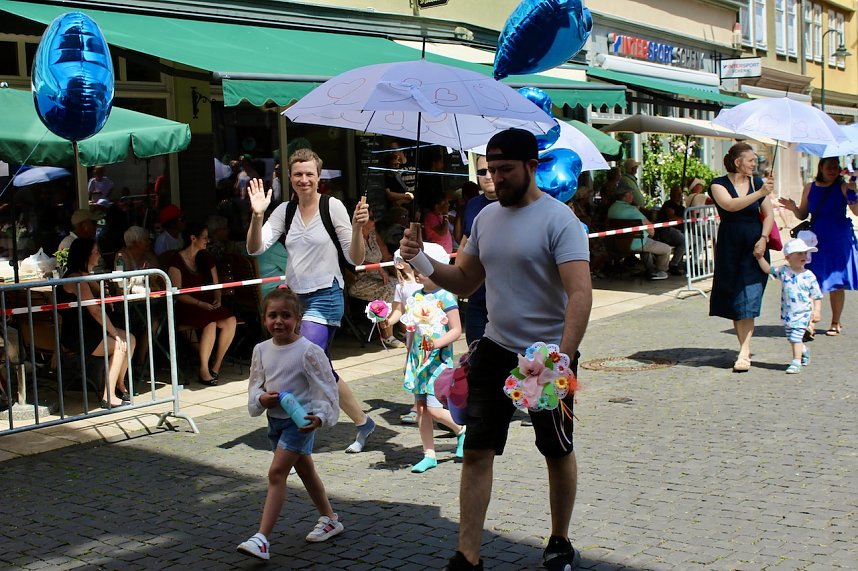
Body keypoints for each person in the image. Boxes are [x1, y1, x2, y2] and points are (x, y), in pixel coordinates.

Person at [400, 128, 591, 571]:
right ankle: (467, 556)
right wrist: (421, 261)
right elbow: (466, 280)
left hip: (547, 356)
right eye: (489, 170)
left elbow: (580, 294)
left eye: (505, 170)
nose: (496, 178)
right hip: (495, 349)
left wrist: (561, 357)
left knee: (556, 448)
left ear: (531, 166)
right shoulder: (485, 219)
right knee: (478, 448)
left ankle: (559, 540)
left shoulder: (559, 220)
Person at [246, 148, 377, 454]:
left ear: (319, 177)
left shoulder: (332, 208)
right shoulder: (284, 211)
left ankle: (299, 429)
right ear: (289, 178)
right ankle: (362, 421)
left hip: (326, 294)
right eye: (298, 174)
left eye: (309, 174)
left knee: (302, 358)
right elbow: (255, 248)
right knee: (322, 367)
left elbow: (354, 257)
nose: (304, 180)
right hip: (295, 300)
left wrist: (357, 229)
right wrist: (256, 215)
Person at [237, 288, 342, 561]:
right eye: (273, 316)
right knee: (305, 471)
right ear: (264, 319)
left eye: (286, 315)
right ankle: (330, 518)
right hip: (275, 423)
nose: (279, 321)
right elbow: (255, 385)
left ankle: (262, 539)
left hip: (300, 422)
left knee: (276, 473)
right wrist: (261, 398)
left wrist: (319, 416)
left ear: (299, 318)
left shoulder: (309, 351)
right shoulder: (261, 350)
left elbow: (326, 388)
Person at [708, 142, 775, 372]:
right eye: (751, 160)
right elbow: (730, 205)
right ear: (738, 162)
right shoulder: (718, 184)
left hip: (755, 245)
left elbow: (769, 215)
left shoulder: (757, 183)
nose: (755, 163)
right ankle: (743, 347)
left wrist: (764, 238)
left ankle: (744, 352)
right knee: (736, 298)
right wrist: (760, 193)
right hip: (730, 245)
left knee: (749, 296)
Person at [399, 243, 466, 473]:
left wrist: (436, 344)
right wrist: (409, 354)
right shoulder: (415, 296)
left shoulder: (446, 296)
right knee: (420, 407)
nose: (417, 272)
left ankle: (461, 429)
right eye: (415, 267)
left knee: (435, 409)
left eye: (422, 267)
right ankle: (429, 453)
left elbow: (456, 330)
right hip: (419, 359)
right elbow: (411, 330)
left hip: (437, 359)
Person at [780, 157, 858, 336]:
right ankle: (809, 322)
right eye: (828, 167)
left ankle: (835, 322)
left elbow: (856, 211)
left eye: (835, 167)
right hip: (815, 239)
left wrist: (854, 194)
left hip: (838, 238)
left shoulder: (844, 187)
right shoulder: (810, 187)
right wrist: (792, 207)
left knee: (836, 281)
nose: (832, 170)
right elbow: (802, 214)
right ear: (820, 168)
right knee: (811, 278)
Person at [57, 238, 136, 408]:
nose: (99, 255)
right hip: (78, 336)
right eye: (96, 252)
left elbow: (100, 296)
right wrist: (114, 333)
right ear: (86, 256)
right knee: (119, 345)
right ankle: (109, 396)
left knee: (130, 339)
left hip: (89, 331)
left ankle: (119, 383)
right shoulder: (76, 280)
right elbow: (95, 311)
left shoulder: (83, 276)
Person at [167, 221, 237, 385]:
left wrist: (218, 298)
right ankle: (203, 369)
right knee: (210, 323)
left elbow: (216, 284)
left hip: (208, 303)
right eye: (204, 238)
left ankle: (216, 366)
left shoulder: (207, 257)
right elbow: (178, 294)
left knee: (230, 320)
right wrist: (200, 304)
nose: (207, 241)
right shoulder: (176, 261)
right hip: (189, 305)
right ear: (193, 238)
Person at [755, 238, 822, 374]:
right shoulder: (783, 271)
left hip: (803, 313)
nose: (803, 256)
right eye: (799, 254)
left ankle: (796, 362)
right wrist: (759, 258)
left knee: (796, 337)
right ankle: (803, 351)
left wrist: (817, 311)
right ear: (788, 257)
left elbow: (817, 296)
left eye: (805, 253)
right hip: (788, 313)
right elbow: (768, 269)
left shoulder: (809, 276)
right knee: (791, 337)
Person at [115, 226, 166, 377]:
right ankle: (134, 362)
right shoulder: (122, 256)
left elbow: (160, 279)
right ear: (136, 242)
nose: (149, 242)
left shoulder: (149, 255)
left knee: (156, 320)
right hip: (128, 304)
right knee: (149, 320)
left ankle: (140, 361)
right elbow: (120, 285)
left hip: (149, 301)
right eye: (146, 240)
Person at [348, 211, 402, 348]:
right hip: (358, 280)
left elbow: (386, 256)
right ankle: (386, 335)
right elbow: (352, 263)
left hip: (378, 276)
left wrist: (399, 272)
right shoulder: (351, 236)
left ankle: (403, 328)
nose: (374, 221)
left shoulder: (373, 234)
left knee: (401, 285)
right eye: (371, 218)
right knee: (389, 289)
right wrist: (378, 268)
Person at [460, 155, 496, 346]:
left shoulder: (518, 205)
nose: (488, 176)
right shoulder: (473, 205)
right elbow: (465, 244)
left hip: (508, 303)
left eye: (493, 170)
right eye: (482, 172)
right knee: (475, 360)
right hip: (478, 299)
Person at [607, 187, 673, 280]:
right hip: (635, 243)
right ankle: (661, 271)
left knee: (646, 247)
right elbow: (650, 229)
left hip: (616, 243)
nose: (633, 197)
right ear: (626, 196)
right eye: (631, 194)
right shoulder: (631, 210)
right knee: (666, 249)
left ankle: (650, 270)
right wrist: (651, 234)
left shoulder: (612, 208)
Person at [655, 186, 687, 275]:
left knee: (699, 240)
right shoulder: (668, 204)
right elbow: (671, 218)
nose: (680, 195)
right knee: (684, 241)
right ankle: (674, 265)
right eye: (677, 193)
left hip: (682, 231)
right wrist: (683, 219)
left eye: (681, 193)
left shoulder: (681, 207)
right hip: (667, 231)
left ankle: (693, 263)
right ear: (672, 194)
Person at [382, 141, 414, 210]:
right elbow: (390, 195)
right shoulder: (385, 177)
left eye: (398, 164)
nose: (398, 167)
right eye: (395, 165)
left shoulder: (397, 176)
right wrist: (406, 196)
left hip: (406, 208)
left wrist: (402, 200)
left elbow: (410, 196)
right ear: (388, 165)